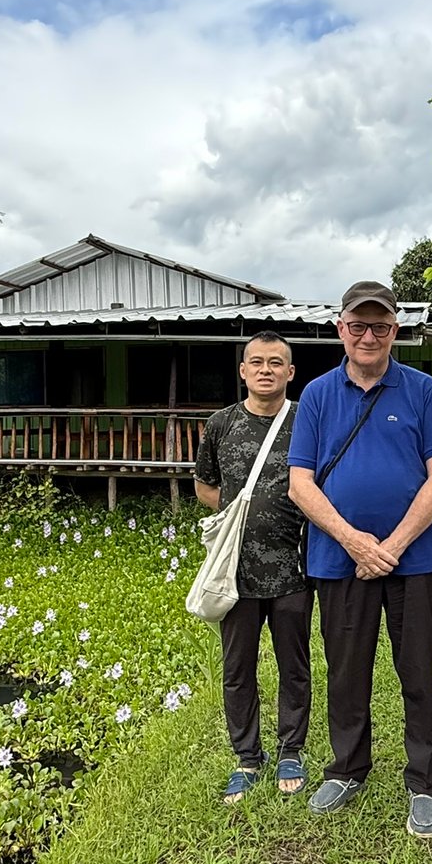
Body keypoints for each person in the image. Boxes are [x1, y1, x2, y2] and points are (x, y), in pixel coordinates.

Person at [288, 281, 432, 838]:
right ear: (340, 329)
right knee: (346, 669)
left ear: (395, 332)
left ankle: (427, 782)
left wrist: (393, 546)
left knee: (419, 669)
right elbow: (300, 484)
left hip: (417, 557)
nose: (368, 336)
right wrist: (356, 542)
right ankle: (347, 768)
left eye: (380, 326)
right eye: (357, 326)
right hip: (339, 560)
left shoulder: (423, 390)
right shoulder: (316, 394)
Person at [194, 331, 313, 804]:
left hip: (293, 571)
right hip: (234, 575)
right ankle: (247, 757)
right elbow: (205, 486)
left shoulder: (306, 420)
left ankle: (291, 751)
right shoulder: (221, 424)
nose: (266, 370)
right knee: (237, 668)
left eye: (276, 363)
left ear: (290, 372)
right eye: (257, 362)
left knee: (294, 665)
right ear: (243, 371)